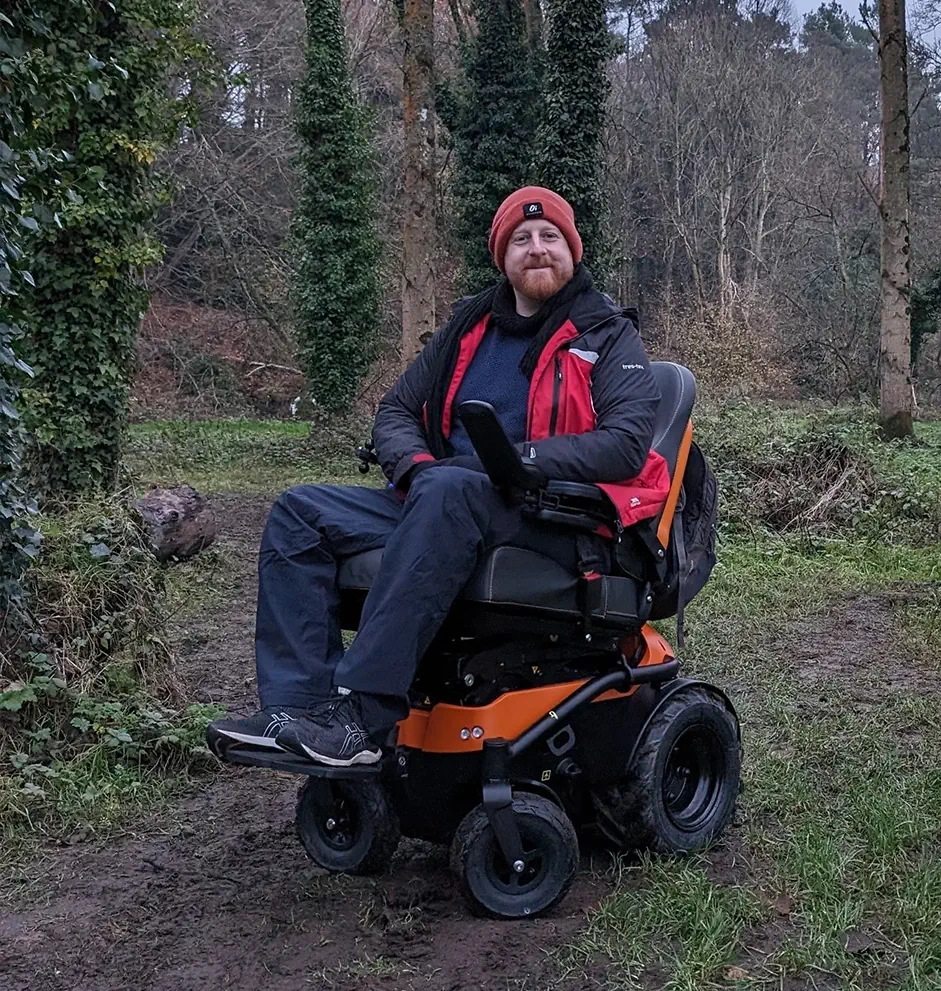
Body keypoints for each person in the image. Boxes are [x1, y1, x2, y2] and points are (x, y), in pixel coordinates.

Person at [208, 186, 670, 768]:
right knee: (301, 513)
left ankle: (363, 720)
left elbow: (625, 444)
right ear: (501, 257)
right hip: (442, 498)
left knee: (450, 490)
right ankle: (298, 711)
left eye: (550, 236)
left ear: (572, 250)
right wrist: (418, 468)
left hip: (548, 515)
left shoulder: (606, 333)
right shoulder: (467, 327)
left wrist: (515, 461)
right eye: (520, 239)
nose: (536, 249)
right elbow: (396, 412)